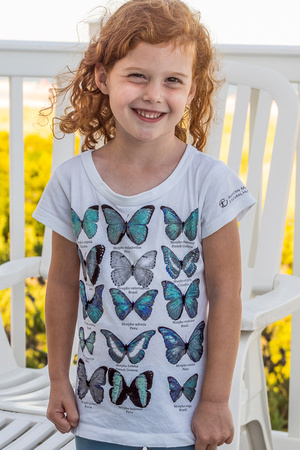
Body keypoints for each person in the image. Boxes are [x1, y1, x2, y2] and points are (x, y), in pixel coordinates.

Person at [33, 1, 256, 449]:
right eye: (137, 75)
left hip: (182, 415)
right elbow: (61, 282)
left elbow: (226, 293)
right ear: (102, 78)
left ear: (192, 91)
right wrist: (58, 379)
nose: (154, 94)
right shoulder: (73, 181)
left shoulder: (208, 183)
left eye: (173, 80)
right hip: (96, 411)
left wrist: (214, 400)